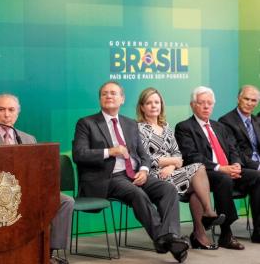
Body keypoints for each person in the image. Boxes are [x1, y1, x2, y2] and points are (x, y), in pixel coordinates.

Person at [72, 81, 189, 263]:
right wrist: (110, 151)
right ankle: (166, 239)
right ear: (100, 99)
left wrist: (143, 170)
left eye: (113, 93)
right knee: (137, 193)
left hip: (134, 174)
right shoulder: (86, 123)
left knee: (168, 189)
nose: (109, 96)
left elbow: (144, 155)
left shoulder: (130, 124)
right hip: (107, 178)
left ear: (122, 99)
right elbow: (79, 154)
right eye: (104, 94)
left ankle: (170, 237)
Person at [0, 93, 74, 264]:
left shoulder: (27, 138)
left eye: (11, 110)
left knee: (65, 201)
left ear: (17, 113)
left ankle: (49, 252)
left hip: (26, 190)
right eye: (1, 109)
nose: (6, 114)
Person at [136, 87, 224, 250]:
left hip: (170, 172)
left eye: (157, 102)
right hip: (155, 176)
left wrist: (171, 165)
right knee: (197, 179)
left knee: (198, 169)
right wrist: (172, 162)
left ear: (161, 105)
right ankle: (207, 217)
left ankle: (202, 229)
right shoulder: (138, 129)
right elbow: (144, 158)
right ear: (142, 107)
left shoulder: (167, 128)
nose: (153, 106)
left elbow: (178, 155)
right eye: (149, 103)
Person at [174, 86, 260, 250]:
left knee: (257, 175)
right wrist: (221, 168)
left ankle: (259, 230)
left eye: (209, 103)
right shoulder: (184, 127)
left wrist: (235, 164)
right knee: (224, 179)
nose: (206, 107)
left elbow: (233, 149)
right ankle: (226, 234)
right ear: (193, 105)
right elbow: (192, 156)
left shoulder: (220, 127)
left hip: (227, 170)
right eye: (202, 103)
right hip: (205, 175)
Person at [219, 84, 260, 242]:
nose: (250, 103)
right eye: (246, 99)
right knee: (258, 176)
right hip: (239, 170)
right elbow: (234, 152)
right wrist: (257, 166)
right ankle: (259, 230)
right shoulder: (226, 121)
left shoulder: (256, 120)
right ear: (238, 99)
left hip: (255, 169)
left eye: (253, 100)